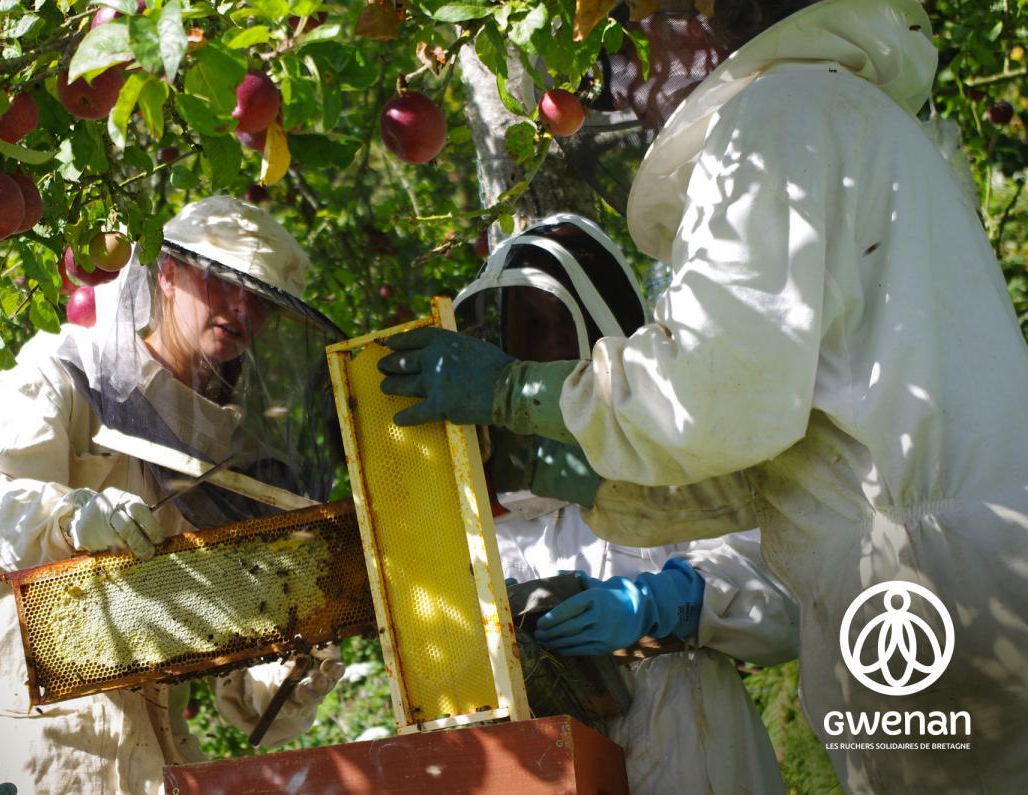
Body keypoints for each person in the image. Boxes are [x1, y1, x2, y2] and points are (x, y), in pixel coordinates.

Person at [379, 1, 1028, 791]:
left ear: (705, 18)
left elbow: (712, 393)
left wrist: (515, 393)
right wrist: (574, 473)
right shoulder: (835, 115)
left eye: (634, 31)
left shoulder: (774, 118)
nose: (618, 75)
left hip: (926, 587)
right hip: (938, 573)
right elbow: (768, 439)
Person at [0, 196, 348, 794]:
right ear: (168, 276)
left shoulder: (229, 447)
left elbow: (249, 701)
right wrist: (71, 520)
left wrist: (300, 659)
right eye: (224, 282)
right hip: (28, 743)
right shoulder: (59, 375)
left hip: (158, 759)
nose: (241, 307)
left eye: (261, 299)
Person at [460, 216, 799, 793]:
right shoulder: (482, 487)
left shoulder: (671, 439)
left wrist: (667, 602)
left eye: (556, 326)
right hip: (547, 760)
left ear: (599, 328)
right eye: (528, 326)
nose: (543, 345)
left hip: (688, 738)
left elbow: (786, 597)